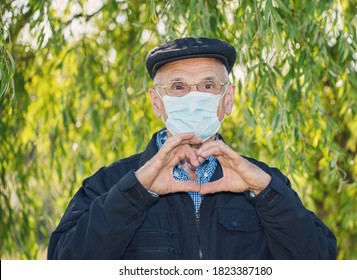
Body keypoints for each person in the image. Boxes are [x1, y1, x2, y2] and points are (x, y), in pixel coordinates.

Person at [48, 37, 337, 260]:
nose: (195, 97)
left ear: (228, 98)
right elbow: (64, 262)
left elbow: (322, 261)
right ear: (156, 102)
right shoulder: (111, 183)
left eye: (209, 86)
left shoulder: (263, 183)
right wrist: (135, 193)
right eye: (178, 87)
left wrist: (266, 195)